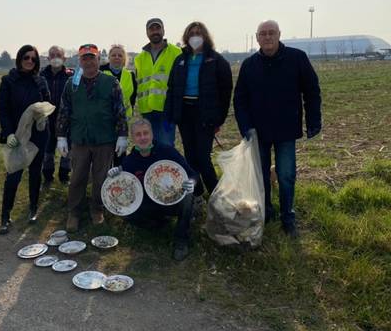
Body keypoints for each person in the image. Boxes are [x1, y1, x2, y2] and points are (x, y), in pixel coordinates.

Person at [233, 20, 322, 238]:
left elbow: (312, 91)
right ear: (257, 38)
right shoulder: (249, 65)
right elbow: (240, 100)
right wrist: (246, 129)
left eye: (271, 33)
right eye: (263, 34)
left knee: (286, 174)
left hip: (286, 129)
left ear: (279, 34)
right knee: (261, 176)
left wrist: (313, 121)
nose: (267, 37)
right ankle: (266, 211)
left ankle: (287, 216)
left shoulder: (296, 58)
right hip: (258, 132)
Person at [56, 44, 128, 232]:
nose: (88, 61)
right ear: (80, 61)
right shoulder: (72, 83)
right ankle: (74, 212)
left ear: (98, 60)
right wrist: (61, 136)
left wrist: (122, 135)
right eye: (84, 58)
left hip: (104, 138)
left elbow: (120, 110)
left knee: (101, 177)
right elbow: (64, 111)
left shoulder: (110, 82)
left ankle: (97, 209)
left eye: (92, 58)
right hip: (80, 138)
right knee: (78, 176)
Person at [165, 21, 233, 211]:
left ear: (205, 37)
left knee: (203, 158)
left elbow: (226, 91)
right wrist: (170, 114)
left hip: (205, 113)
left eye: (199, 33)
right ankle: (197, 194)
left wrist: (219, 118)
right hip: (185, 112)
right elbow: (172, 88)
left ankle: (218, 198)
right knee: (190, 157)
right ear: (186, 37)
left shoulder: (216, 60)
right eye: (192, 33)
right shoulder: (180, 60)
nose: (195, 36)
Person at [107, 118, 197, 261]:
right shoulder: (130, 161)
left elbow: (192, 174)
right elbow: (123, 185)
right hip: (149, 203)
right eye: (138, 134)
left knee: (188, 197)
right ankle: (158, 224)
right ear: (133, 138)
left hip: (171, 200)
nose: (142, 137)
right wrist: (115, 175)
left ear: (152, 134)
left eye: (145, 133)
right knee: (124, 211)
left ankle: (181, 240)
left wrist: (191, 183)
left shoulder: (167, 151)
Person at [0, 45, 51, 234]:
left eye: (33, 59)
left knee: (35, 173)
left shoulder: (41, 81)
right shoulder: (8, 81)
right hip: (17, 136)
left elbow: (47, 102)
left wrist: (44, 117)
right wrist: (9, 132)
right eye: (26, 57)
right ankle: (5, 216)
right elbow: (3, 109)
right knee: (13, 175)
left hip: (38, 134)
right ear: (19, 58)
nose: (29, 61)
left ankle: (33, 210)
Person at [134, 18, 182, 147]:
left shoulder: (176, 53)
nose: (155, 31)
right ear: (147, 32)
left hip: (166, 110)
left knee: (165, 146)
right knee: (149, 146)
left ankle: (167, 167)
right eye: (151, 29)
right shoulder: (140, 58)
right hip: (147, 111)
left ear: (163, 30)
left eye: (158, 28)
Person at [40, 46, 74, 185]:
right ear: (48, 58)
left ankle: (64, 176)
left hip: (66, 120)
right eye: (52, 55)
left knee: (66, 150)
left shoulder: (70, 75)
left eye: (58, 55)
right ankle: (48, 177)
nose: (55, 58)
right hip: (47, 120)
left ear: (64, 58)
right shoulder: (41, 75)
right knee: (47, 150)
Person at [100, 44, 137, 166]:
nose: (117, 57)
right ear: (109, 57)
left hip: (123, 122)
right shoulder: (101, 73)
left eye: (120, 55)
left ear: (124, 59)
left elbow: (132, 99)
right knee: (104, 154)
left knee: (120, 154)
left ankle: (119, 181)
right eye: (113, 55)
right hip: (104, 121)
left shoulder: (130, 75)